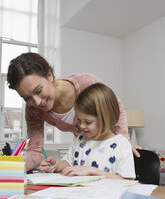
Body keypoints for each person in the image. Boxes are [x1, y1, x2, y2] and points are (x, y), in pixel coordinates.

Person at [7, 52, 139, 171]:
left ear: (49, 75)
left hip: (110, 148)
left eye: (38, 91)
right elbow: (35, 150)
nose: (37, 102)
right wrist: (11, 168)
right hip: (86, 150)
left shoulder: (87, 82)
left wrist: (124, 139)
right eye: (27, 98)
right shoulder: (33, 110)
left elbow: (116, 106)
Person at [40, 83, 135, 179]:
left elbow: (126, 179)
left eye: (88, 122)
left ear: (106, 118)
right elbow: (68, 162)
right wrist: (56, 165)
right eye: (79, 120)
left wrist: (93, 172)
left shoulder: (121, 144)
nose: (81, 126)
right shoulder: (81, 139)